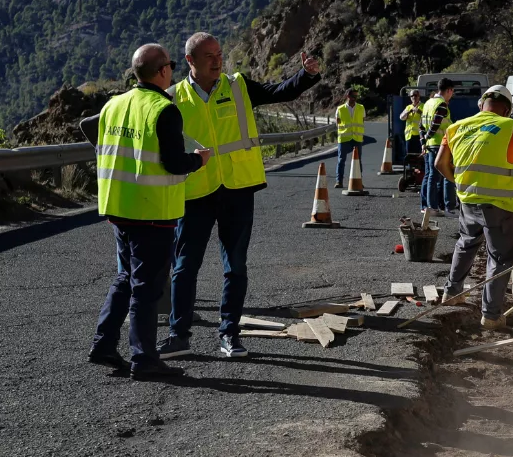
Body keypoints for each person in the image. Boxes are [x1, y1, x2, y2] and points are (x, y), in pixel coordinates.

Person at [159, 32, 321, 360]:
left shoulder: (238, 85)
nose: (218, 60)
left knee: (235, 265)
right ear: (190, 61)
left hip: (236, 187)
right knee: (184, 268)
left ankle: (229, 334)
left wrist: (306, 76)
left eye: (219, 54)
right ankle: (178, 336)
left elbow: (279, 91)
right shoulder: (172, 98)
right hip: (194, 193)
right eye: (209, 56)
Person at [86, 43, 210, 380]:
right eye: (170, 63)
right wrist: (199, 160)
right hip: (152, 211)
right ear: (162, 71)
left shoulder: (114, 104)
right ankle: (144, 358)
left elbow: (88, 126)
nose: (171, 68)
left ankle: (104, 343)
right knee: (146, 287)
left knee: (125, 278)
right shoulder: (163, 109)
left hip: (118, 206)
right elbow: (173, 163)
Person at [436, 85, 513, 330]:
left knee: (466, 242)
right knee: (499, 257)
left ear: (481, 105)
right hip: (499, 203)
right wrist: (504, 186)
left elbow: (439, 163)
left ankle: (452, 292)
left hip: (467, 198)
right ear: (507, 110)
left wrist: (459, 183)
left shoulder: (455, 127)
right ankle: (491, 315)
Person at [420, 78, 457, 214]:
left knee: (430, 176)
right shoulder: (441, 104)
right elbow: (435, 125)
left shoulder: (428, 103)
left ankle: (430, 206)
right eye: (452, 91)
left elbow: (421, 125)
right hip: (439, 144)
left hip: (430, 145)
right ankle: (438, 207)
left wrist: (423, 142)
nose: (452, 95)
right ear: (448, 90)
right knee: (442, 176)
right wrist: (428, 136)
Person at [335, 88, 365, 188]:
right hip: (344, 138)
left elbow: (362, 121)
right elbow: (338, 123)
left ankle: (359, 181)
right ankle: (339, 181)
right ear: (348, 96)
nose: (355, 98)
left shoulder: (361, 108)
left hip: (357, 138)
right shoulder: (340, 109)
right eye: (353, 96)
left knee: (358, 161)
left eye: (356, 96)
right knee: (341, 160)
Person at [399, 89, 423, 164]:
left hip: (419, 135)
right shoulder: (408, 107)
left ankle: (419, 171)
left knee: (419, 155)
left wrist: (419, 112)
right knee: (409, 156)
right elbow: (401, 117)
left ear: (419, 96)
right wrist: (408, 112)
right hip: (409, 135)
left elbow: (427, 117)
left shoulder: (423, 106)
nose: (413, 97)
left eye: (415, 95)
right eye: (411, 96)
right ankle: (411, 171)